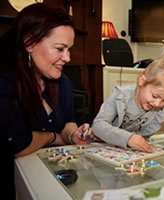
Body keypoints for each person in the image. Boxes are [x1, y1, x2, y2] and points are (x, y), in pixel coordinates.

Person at [0, 3, 96, 198]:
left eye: (69, 49)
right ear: (29, 43)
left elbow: (68, 120)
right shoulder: (5, 81)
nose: (67, 58)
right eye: (60, 49)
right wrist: (54, 137)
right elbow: (17, 144)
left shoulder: (63, 83)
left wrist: (72, 135)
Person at [92, 44, 164, 152]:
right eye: (155, 96)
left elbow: (145, 136)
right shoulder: (120, 96)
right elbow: (98, 125)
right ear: (142, 81)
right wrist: (128, 138)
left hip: (127, 153)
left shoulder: (160, 109)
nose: (158, 104)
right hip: (104, 146)